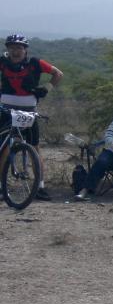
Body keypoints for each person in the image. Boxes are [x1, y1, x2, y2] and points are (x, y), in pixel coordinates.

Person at [1, 33, 63, 200]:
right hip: (5, 108)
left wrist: (47, 88)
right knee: (4, 147)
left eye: (19, 48)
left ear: (25, 50)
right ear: (8, 49)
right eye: (12, 48)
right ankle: (1, 186)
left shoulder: (35, 63)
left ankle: (39, 187)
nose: (16, 51)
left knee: (34, 148)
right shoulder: (2, 62)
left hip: (29, 109)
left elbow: (58, 74)